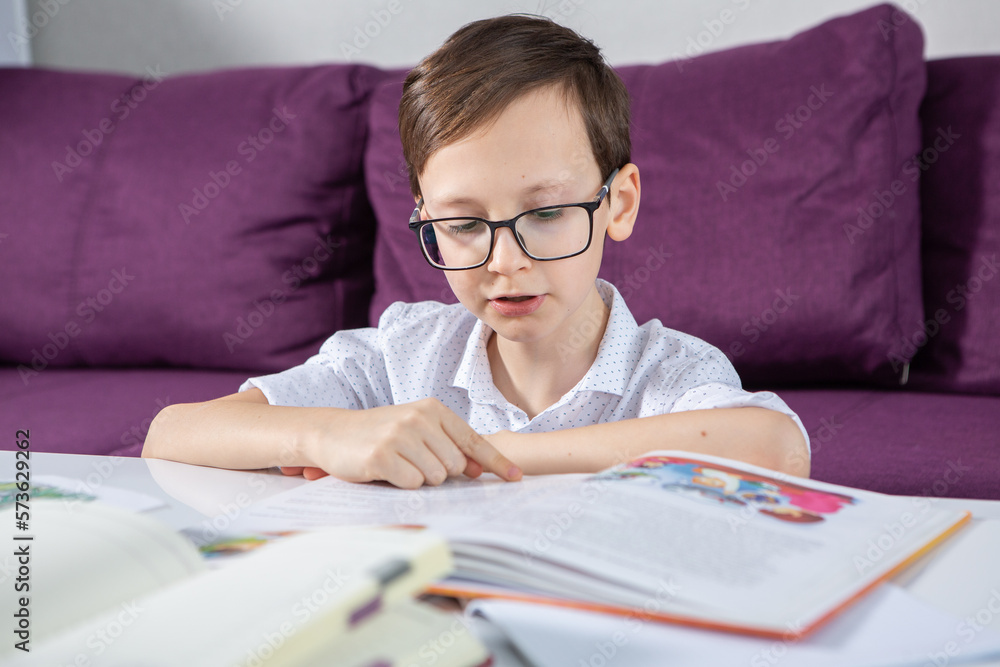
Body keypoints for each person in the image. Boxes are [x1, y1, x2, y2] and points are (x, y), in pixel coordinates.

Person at [143, 15, 810, 489]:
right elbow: (172, 434)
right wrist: (323, 434)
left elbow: (774, 448)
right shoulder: (406, 356)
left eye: (546, 214)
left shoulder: (665, 375)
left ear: (620, 202)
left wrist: (495, 452)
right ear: (424, 216)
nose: (504, 263)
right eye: (463, 224)